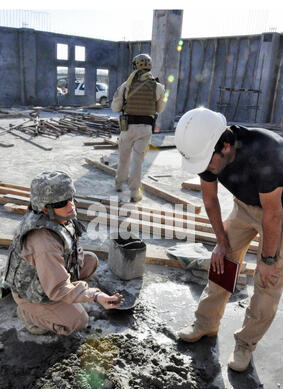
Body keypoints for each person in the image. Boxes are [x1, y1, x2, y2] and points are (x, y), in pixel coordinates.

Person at [175, 107, 283, 372]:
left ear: (225, 146)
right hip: (245, 206)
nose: (206, 171)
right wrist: (221, 242)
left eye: (207, 164)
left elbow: (272, 215)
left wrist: (268, 259)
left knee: (268, 280)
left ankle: (246, 344)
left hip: (278, 210)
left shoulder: (266, 151)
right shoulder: (207, 152)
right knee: (222, 261)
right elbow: (210, 200)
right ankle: (206, 324)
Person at [3, 170, 123, 336]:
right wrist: (95, 295)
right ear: (45, 209)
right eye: (61, 203)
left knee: (90, 261)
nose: (70, 205)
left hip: (46, 276)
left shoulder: (61, 216)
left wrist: (80, 291)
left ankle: (64, 301)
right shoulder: (44, 242)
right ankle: (29, 314)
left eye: (70, 199)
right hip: (32, 293)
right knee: (78, 319)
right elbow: (58, 288)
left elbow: (73, 250)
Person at [111, 53, 166, 202]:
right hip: (145, 128)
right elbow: (159, 109)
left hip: (127, 127)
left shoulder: (126, 85)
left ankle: (118, 184)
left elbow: (115, 108)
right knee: (137, 162)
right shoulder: (158, 87)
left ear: (135, 66)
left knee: (123, 159)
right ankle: (134, 193)